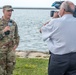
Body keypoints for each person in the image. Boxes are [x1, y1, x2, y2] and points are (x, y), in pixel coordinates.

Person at [41, 1, 76, 75]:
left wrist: (53, 18)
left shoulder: (55, 22)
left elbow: (42, 30)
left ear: (63, 10)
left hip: (59, 58)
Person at [0, 5, 19, 75]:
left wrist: (16, 44)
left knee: (10, 69)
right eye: (8, 11)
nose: (10, 13)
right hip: (1, 51)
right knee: (1, 71)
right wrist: (3, 31)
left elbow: (17, 36)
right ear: (3, 11)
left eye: (11, 11)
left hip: (10, 51)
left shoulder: (13, 23)